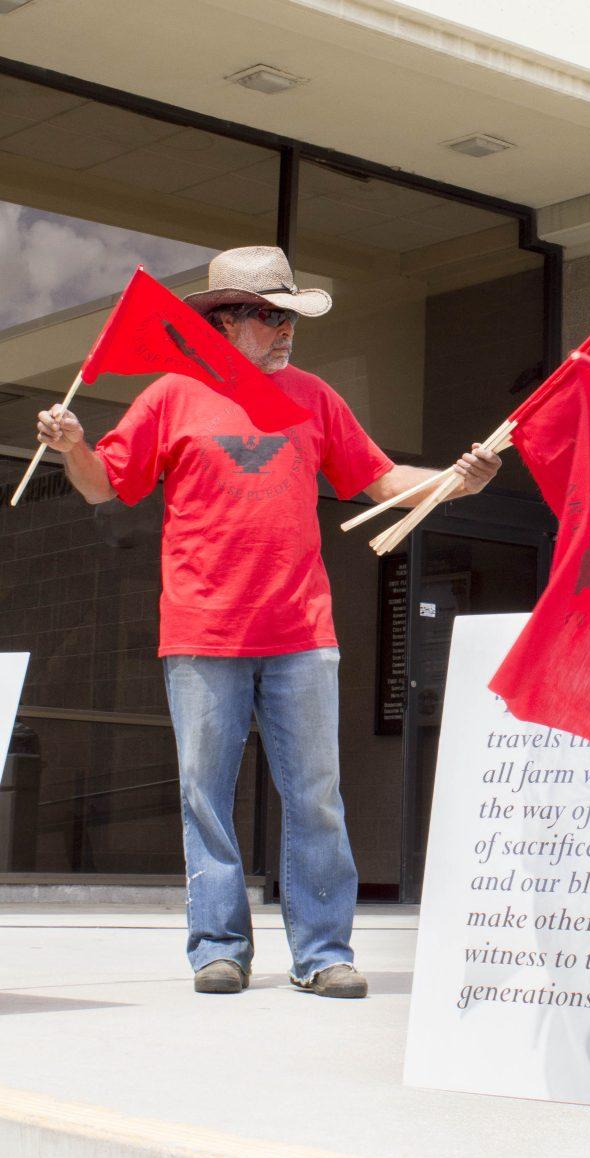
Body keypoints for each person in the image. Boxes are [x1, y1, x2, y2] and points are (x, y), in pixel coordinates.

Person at [35, 246, 500, 998]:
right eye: (270, 315)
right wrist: (74, 446)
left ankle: (323, 954)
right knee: (204, 796)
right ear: (224, 322)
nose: (287, 329)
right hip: (201, 632)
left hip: (301, 633)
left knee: (315, 793)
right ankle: (217, 948)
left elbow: (378, 479)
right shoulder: (172, 395)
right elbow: (104, 488)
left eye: (291, 316)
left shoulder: (314, 397)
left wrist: (456, 482)